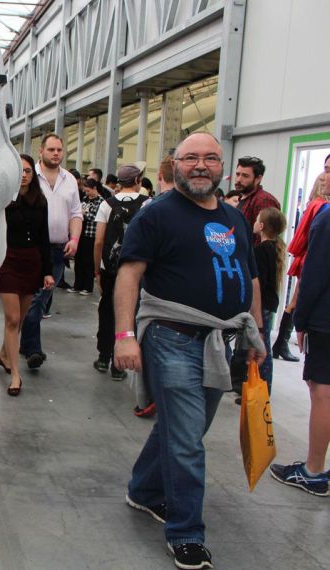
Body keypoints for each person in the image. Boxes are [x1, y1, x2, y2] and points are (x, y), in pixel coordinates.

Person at [115, 133, 265, 570]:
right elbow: (129, 272)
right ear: (175, 165)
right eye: (191, 158)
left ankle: (143, 491)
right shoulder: (155, 214)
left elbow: (251, 278)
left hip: (222, 341)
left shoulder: (235, 217)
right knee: (186, 440)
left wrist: (255, 339)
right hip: (171, 337)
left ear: (222, 166)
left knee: (185, 431)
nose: (201, 165)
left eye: (211, 158)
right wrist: (124, 335)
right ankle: (186, 533)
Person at [270, 207, 330, 496]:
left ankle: (313, 471)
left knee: (323, 392)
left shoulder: (328, 216)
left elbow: (316, 271)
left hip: (325, 319)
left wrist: (300, 317)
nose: (324, 176)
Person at [19, 133, 82, 369]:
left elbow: (76, 213)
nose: (56, 153)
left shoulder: (70, 180)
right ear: (41, 152)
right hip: (30, 248)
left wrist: (74, 239)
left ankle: (26, 344)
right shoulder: (28, 176)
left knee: (40, 298)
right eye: (51, 149)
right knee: (34, 298)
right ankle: (33, 348)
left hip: (57, 249)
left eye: (59, 150)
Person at [0, 154, 54, 396]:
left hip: (32, 262)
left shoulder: (40, 201)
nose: (23, 175)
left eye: (28, 170)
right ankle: (16, 376)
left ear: (33, 174)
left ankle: (2, 353)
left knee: (18, 319)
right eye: (19, 170)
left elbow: (44, 237)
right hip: (8, 261)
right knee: (12, 318)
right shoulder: (2, 201)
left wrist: (48, 271)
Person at [93, 164, 147, 379]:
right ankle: (119, 364)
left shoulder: (107, 204)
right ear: (137, 181)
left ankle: (104, 356)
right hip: (136, 268)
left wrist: (97, 268)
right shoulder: (147, 205)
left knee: (106, 309)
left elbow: (98, 241)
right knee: (129, 311)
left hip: (110, 269)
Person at [274, 163, 330, 362]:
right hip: (311, 260)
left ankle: (280, 343)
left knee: (294, 302)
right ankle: (281, 343)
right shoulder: (322, 209)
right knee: (295, 303)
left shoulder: (315, 206)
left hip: (308, 259)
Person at [252, 207, 286, 393]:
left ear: (262, 226)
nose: (254, 223)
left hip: (263, 303)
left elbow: (260, 281)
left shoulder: (261, 251)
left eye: (257, 220)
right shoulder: (274, 249)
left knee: (261, 347)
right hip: (270, 303)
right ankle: (261, 388)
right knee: (262, 347)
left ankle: (260, 390)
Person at [234, 156, 280, 244]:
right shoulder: (242, 198)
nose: (239, 179)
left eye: (245, 176)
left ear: (258, 179)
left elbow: (265, 240)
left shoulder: (263, 200)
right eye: (237, 174)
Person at [70, 177, 102, 295]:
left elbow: (95, 217)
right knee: (78, 260)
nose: (86, 193)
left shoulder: (101, 201)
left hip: (91, 234)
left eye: (88, 191)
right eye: (85, 191)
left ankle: (87, 287)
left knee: (88, 261)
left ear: (94, 188)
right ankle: (77, 285)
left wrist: (84, 213)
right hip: (81, 233)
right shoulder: (85, 199)